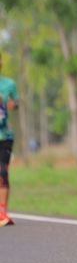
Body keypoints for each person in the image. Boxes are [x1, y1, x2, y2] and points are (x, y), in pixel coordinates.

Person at [0, 53, 19, 227]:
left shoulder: (9, 84)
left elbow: (16, 103)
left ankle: (2, 211)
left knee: (2, 171)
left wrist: (13, 104)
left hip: (4, 136)